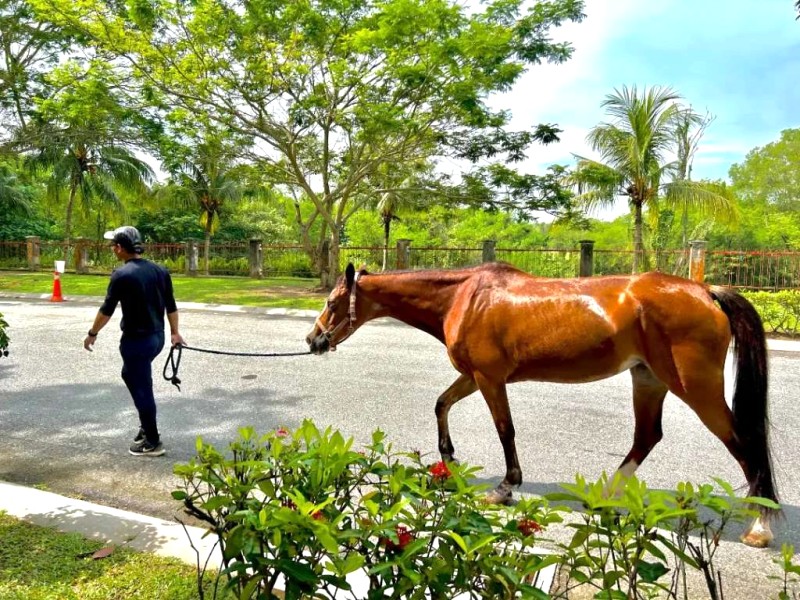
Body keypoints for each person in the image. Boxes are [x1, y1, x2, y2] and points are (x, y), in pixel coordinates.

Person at [83, 225, 185, 457]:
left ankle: (152, 441)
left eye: (113, 246)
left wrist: (92, 333)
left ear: (120, 248)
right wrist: (175, 333)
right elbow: (171, 305)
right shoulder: (160, 270)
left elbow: (106, 309)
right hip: (157, 338)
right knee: (133, 376)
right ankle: (145, 425)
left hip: (136, 341)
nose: (112, 250)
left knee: (141, 388)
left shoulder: (121, 275)